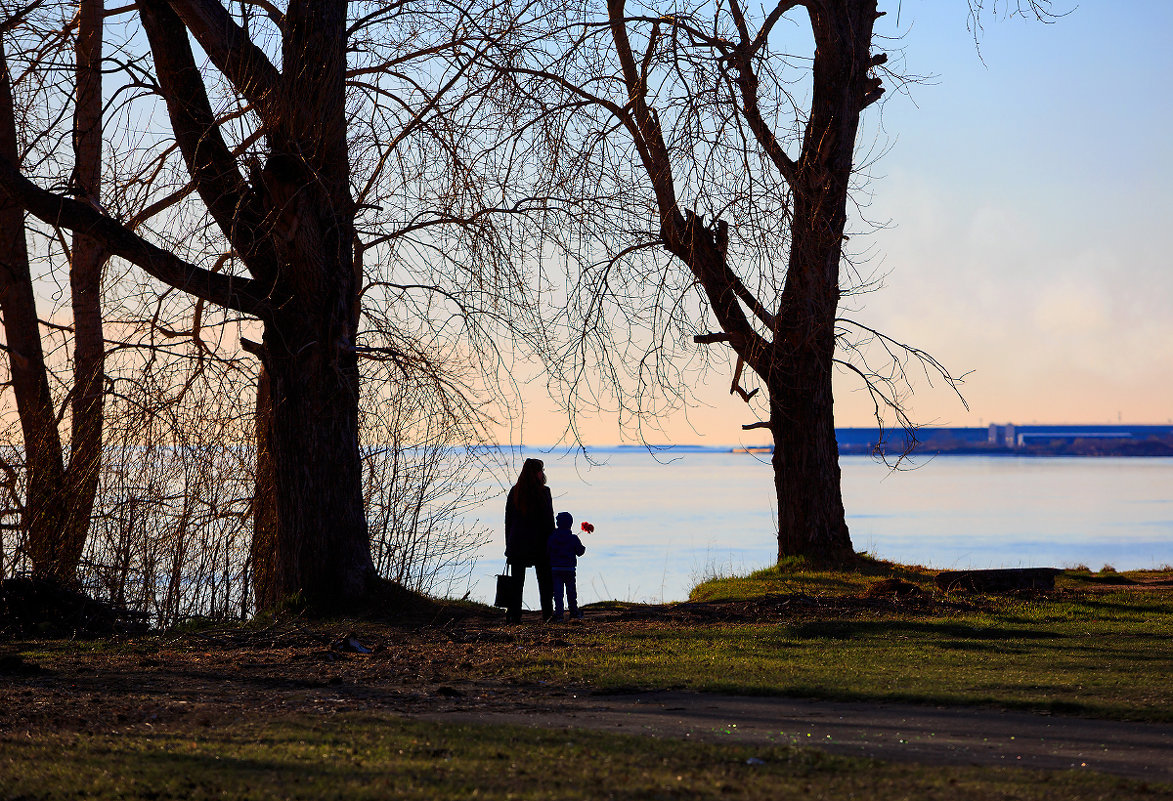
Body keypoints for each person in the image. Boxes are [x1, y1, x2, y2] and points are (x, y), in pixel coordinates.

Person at [504, 458, 555, 623]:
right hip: (540, 544)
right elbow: (549, 520)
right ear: (537, 473)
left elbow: (509, 521)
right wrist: (552, 543)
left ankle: (514, 616)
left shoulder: (515, 491)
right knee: (545, 581)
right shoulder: (544, 492)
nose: (543, 474)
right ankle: (547, 614)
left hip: (518, 544)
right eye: (541, 470)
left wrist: (508, 546)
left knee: (516, 583)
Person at [547, 511, 586, 622]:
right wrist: (583, 548)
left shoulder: (552, 537)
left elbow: (547, 551)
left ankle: (559, 614)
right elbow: (579, 552)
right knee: (571, 592)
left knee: (558, 593)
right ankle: (573, 612)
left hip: (556, 569)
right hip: (569, 569)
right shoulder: (573, 538)